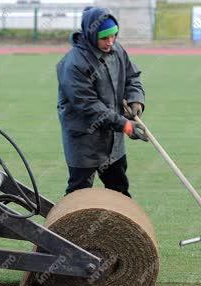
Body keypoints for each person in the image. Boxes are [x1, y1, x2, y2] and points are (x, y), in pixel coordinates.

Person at [57, 7, 148, 198]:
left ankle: (123, 228)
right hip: (84, 141)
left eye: (114, 36)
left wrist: (135, 100)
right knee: (78, 194)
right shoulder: (73, 63)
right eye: (105, 38)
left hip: (113, 142)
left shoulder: (117, 50)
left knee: (120, 191)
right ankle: (64, 228)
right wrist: (124, 125)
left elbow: (133, 77)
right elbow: (88, 106)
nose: (111, 42)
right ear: (91, 34)